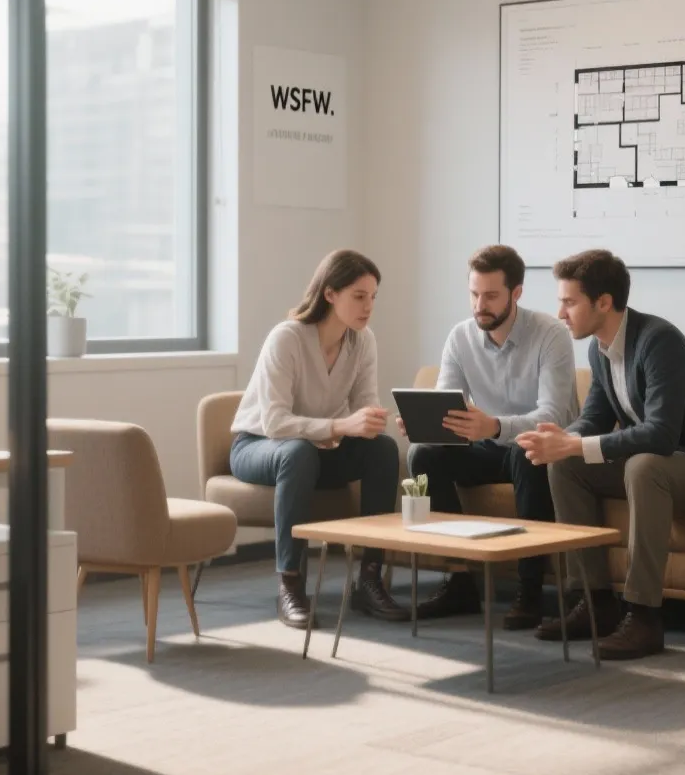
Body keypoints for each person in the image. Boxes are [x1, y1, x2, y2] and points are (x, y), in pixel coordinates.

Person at [516, 249, 685, 660]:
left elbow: (661, 434)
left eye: (569, 302)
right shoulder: (599, 348)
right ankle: (594, 602)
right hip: (664, 463)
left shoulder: (658, 341)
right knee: (566, 465)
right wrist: (562, 439)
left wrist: (575, 443)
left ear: (604, 302)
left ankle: (644, 617)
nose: (560, 313)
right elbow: (593, 419)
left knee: (645, 466)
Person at [229, 250, 406, 630]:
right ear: (330, 294)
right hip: (257, 446)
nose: (368, 307)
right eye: (359, 296)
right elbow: (275, 422)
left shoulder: (363, 341)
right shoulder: (287, 338)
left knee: (383, 450)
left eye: (373, 297)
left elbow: (363, 408)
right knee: (296, 452)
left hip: (316, 449)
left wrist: (375, 421)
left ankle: (370, 579)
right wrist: (341, 427)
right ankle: (290, 583)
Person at [406, 245, 578, 628]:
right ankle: (460, 579)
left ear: (516, 293)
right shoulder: (461, 337)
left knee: (526, 449)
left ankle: (530, 589)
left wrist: (496, 426)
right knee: (423, 453)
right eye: (474, 294)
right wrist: (426, 422)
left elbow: (551, 415)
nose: (479, 305)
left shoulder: (551, 334)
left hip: (545, 447)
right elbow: (448, 404)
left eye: (490, 295)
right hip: (487, 447)